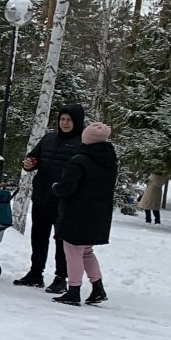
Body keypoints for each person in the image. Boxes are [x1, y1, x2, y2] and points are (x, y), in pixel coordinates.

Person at [14, 103, 86, 290]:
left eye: (69, 120)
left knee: (61, 240)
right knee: (38, 237)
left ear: (77, 121)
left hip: (65, 201)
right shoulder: (49, 138)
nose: (65, 123)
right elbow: (33, 158)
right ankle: (35, 273)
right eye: (62, 119)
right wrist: (29, 164)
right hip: (41, 196)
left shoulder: (83, 143)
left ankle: (61, 277)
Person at [53, 122, 118, 306]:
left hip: (77, 213)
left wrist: (56, 188)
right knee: (87, 251)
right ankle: (98, 288)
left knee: (73, 251)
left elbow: (68, 188)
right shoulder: (110, 161)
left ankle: (73, 290)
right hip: (98, 214)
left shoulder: (79, 161)